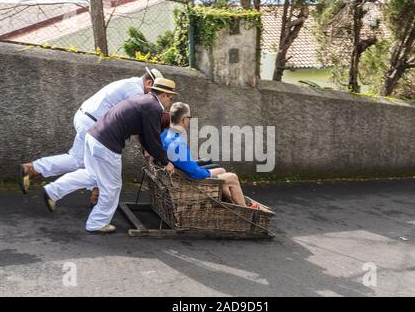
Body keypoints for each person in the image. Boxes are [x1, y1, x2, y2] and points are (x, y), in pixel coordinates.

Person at [41, 78, 177, 234]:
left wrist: (149, 151)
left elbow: (144, 134)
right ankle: (97, 223)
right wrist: (166, 161)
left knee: (92, 176)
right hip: (107, 144)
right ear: (163, 95)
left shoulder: (143, 100)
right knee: (112, 186)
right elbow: (153, 138)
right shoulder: (153, 107)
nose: (170, 103)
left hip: (93, 136)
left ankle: (52, 191)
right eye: (171, 98)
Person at [18, 66, 164, 205]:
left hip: (85, 117)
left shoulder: (129, 83)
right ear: (149, 83)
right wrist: (147, 148)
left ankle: (36, 170)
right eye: (153, 92)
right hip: (93, 123)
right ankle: (49, 182)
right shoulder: (136, 92)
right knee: (92, 163)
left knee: (84, 161)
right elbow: (138, 124)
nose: (152, 97)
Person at [161, 102, 257, 208]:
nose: (189, 120)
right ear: (184, 119)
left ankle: (232, 203)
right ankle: (245, 211)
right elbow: (195, 173)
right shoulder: (177, 143)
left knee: (222, 171)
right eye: (189, 117)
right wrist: (209, 173)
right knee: (233, 177)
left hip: (183, 173)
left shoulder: (164, 135)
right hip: (192, 181)